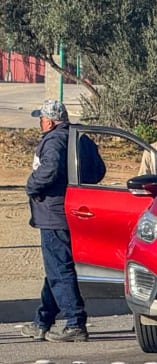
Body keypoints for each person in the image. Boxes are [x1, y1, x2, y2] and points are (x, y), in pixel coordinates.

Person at [21, 100, 90, 342]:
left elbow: (48, 170)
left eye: (41, 118)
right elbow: (97, 170)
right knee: (56, 268)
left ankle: (75, 322)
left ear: (49, 121)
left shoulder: (53, 140)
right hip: (75, 210)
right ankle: (43, 321)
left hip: (53, 214)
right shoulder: (80, 137)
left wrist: (31, 185)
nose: (40, 123)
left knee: (60, 268)